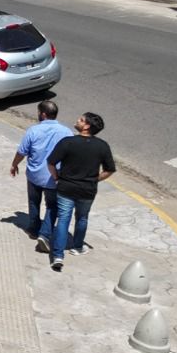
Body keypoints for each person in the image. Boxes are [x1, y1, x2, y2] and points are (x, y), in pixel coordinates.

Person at [41, 112, 117, 272]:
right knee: (82, 218)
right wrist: (95, 179)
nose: (77, 120)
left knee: (63, 219)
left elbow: (51, 162)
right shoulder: (102, 146)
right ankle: (77, 246)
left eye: (81, 120)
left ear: (87, 126)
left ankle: (58, 256)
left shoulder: (68, 142)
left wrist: (56, 177)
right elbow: (110, 169)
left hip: (66, 188)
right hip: (87, 190)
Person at [10, 100, 72, 241]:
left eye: (38, 112)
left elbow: (22, 152)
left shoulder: (33, 131)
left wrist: (14, 165)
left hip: (34, 175)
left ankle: (34, 229)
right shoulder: (66, 132)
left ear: (43, 114)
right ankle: (45, 234)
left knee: (33, 202)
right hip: (54, 177)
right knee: (52, 206)